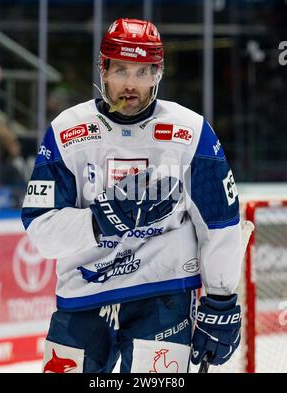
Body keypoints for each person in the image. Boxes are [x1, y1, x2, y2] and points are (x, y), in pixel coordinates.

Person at [21, 18, 243, 373]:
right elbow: (41, 231)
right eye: (121, 70)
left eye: (142, 72)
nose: (130, 84)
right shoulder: (66, 131)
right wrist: (101, 219)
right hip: (82, 298)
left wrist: (221, 299)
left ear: (158, 73)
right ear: (103, 69)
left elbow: (220, 222)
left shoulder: (191, 132)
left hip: (163, 293)